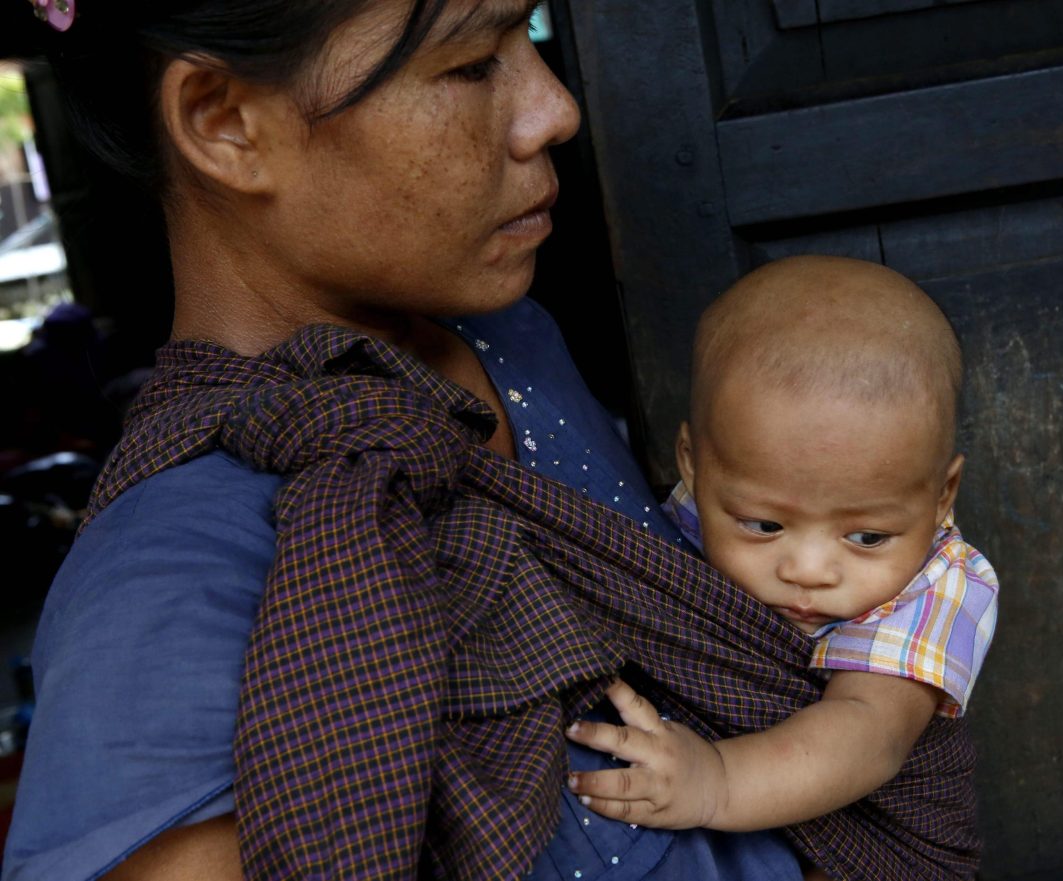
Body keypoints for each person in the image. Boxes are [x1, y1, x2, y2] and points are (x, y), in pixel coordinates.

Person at [1, 3, 981, 880]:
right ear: (225, 121)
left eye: (532, 35)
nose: (553, 107)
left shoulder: (508, 341)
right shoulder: (161, 596)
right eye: (471, 63)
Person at [567, 256, 999, 834]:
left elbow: (866, 730)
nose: (808, 570)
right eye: (764, 526)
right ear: (694, 468)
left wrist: (717, 780)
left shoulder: (939, 583)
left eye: (867, 537)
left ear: (942, 495)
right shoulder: (689, 514)